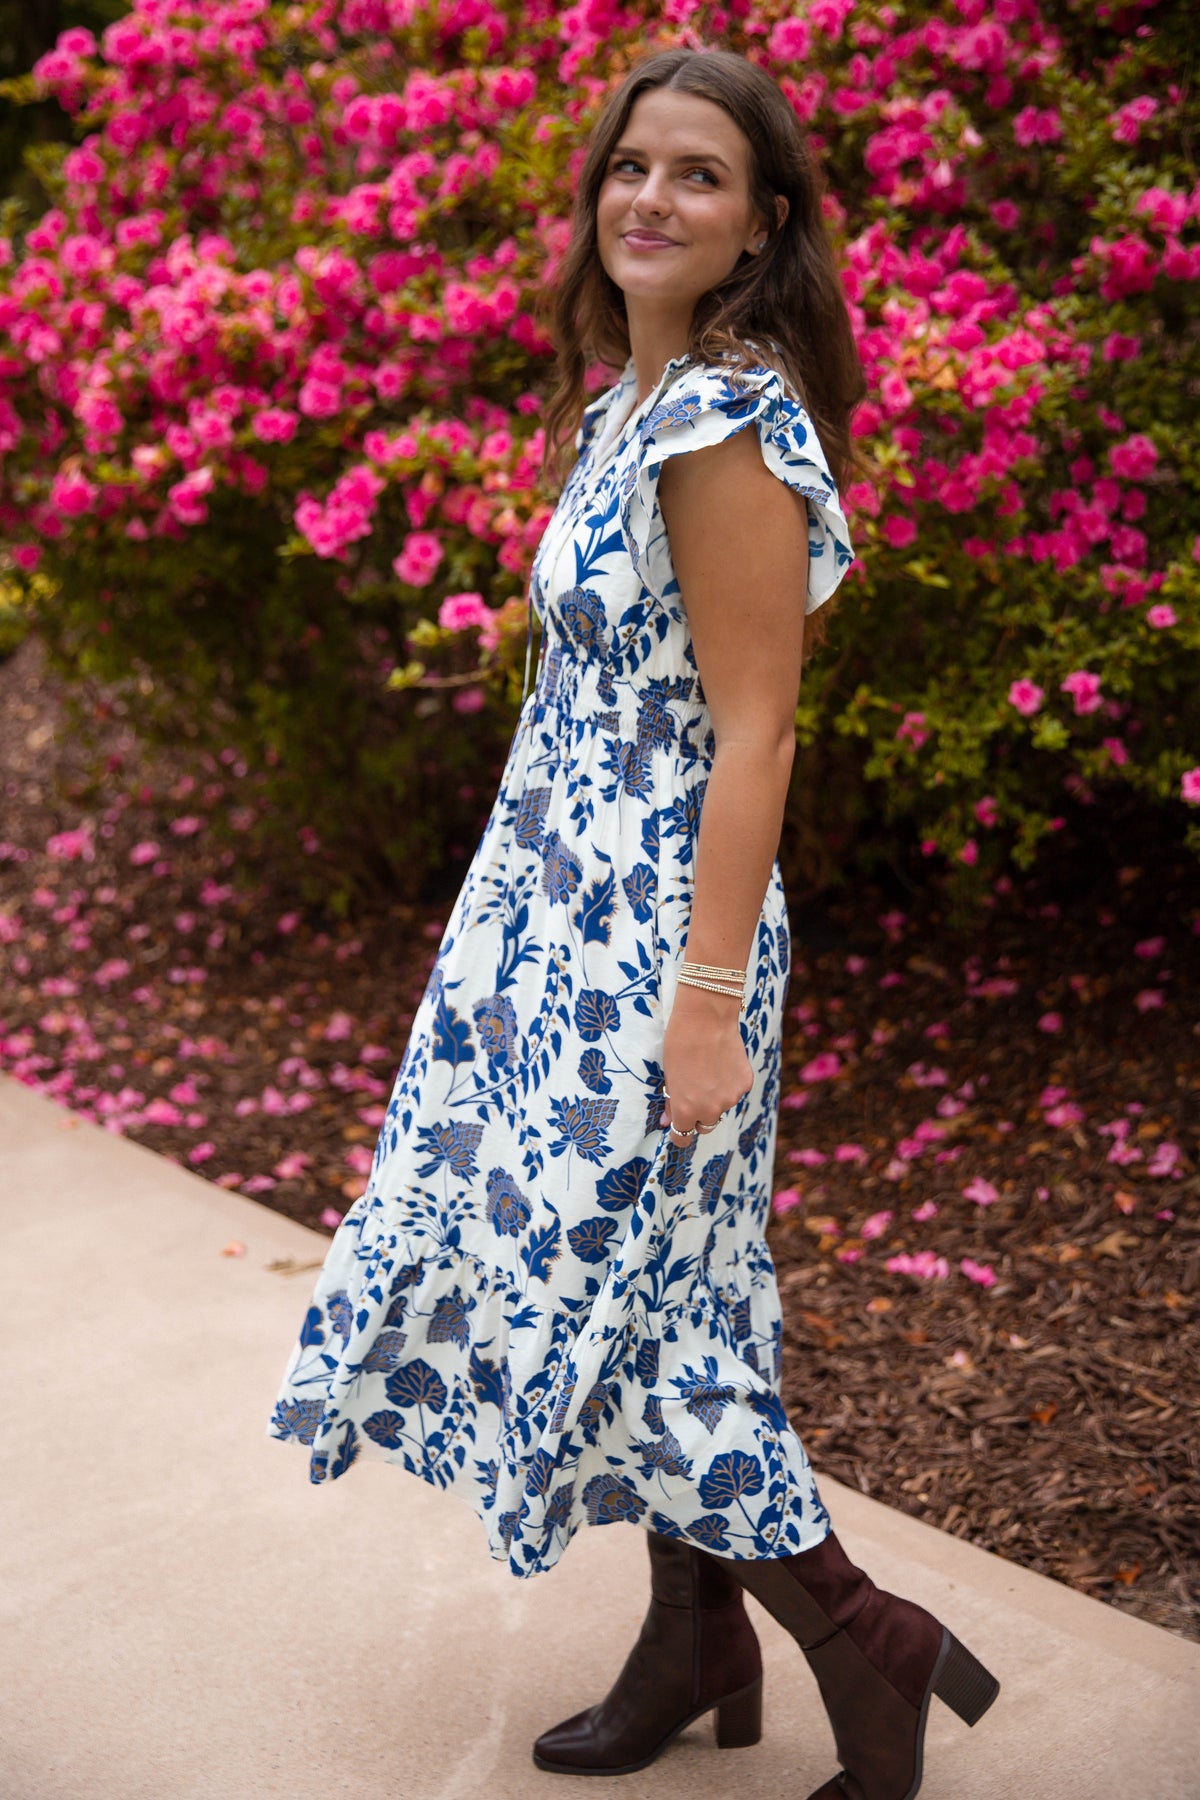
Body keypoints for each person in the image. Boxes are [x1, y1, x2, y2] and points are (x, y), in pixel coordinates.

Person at [268, 44, 999, 1799]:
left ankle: (868, 1638)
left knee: (640, 1313)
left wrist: (707, 999)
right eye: (632, 165)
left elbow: (758, 732)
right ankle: (694, 1640)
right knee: (641, 1293)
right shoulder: (628, 404)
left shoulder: (725, 425)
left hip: (654, 940)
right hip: (553, 914)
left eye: (699, 174)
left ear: (762, 226)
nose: (651, 198)